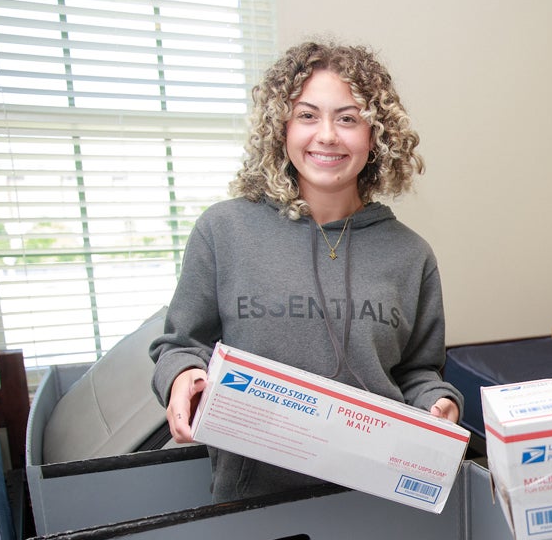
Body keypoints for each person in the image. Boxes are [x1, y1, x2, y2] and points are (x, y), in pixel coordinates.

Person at [150, 40, 462, 503]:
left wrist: (439, 404)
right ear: (282, 128)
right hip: (250, 497)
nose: (328, 135)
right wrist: (183, 378)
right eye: (308, 115)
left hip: (378, 498)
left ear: (376, 136)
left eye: (349, 118)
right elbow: (180, 346)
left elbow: (419, 371)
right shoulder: (224, 230)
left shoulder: (410, 255)